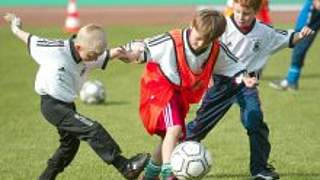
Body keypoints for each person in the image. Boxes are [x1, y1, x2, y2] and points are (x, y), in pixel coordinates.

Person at [3, 13, 150, 180]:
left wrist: (124, 53)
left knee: (69, 146)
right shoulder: (53, 50)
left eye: (98, 54)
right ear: (79, 47)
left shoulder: (87, 54)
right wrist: (15, 24)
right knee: (93, 129)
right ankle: (126, 167)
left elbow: (104, 55)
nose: (95, 59)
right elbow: (27, 38)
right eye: (93, 55)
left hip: (66, 104)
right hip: (52, 105)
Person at [118, 9, 255, 180]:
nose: (200, 44)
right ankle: (169, 172)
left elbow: (235, 65)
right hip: (158, 87)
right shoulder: (171, 41)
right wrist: (127, 54)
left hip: (179, 94)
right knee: (174, 129)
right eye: (198, 38)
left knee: (172, 137)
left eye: (206, 42)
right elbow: (142, 47)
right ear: (192, 26)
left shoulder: (215, 49)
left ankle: (150, 176)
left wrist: (246, 78)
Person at [186, 0, 314, 179]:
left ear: (256, 11)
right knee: (199, 126)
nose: (240, 17)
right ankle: (175, 157)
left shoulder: (264, 32)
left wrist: (301, 35)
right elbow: (204, 51)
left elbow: (287, 37)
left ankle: (260, 169)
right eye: (237, 12)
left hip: (248, 85)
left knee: (255, 121)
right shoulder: (221, 27)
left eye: (246, 13)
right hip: (221, 83)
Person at [269, 0, 320, 90]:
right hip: (310, 14)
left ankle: (291, 81)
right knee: (299, 48)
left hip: (311, 16)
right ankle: (291, 80)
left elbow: (317, 4)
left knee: (299, 47)